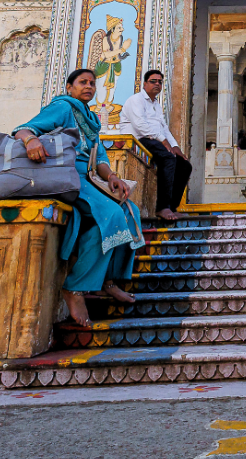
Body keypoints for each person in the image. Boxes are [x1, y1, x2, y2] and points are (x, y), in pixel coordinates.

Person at [13, 66, 146, 328]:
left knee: (130, 212)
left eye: (92, 84)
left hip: (88, 179)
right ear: (70, 87)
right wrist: (31, 142)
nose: (89, 87)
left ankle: (108, 281)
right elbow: (24, 129)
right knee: (112, 214)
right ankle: (74, 289)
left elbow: (100, 158)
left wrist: (112, 177)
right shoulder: (63, 108)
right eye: (83, 82)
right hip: (67, 175)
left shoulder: (91, 119)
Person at [120, 67, 191, 220]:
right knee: (168, 158)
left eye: (160, 82)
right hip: (139, 139)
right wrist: (163, 141)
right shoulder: (136, 100)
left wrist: (175, 146)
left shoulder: (156, 105)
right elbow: (140, 125)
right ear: (145, 84)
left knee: (185, 165)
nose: (157, 84)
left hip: (154, 140)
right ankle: (162, 207)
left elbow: (163, 128)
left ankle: (172, 207)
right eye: (153, 81)